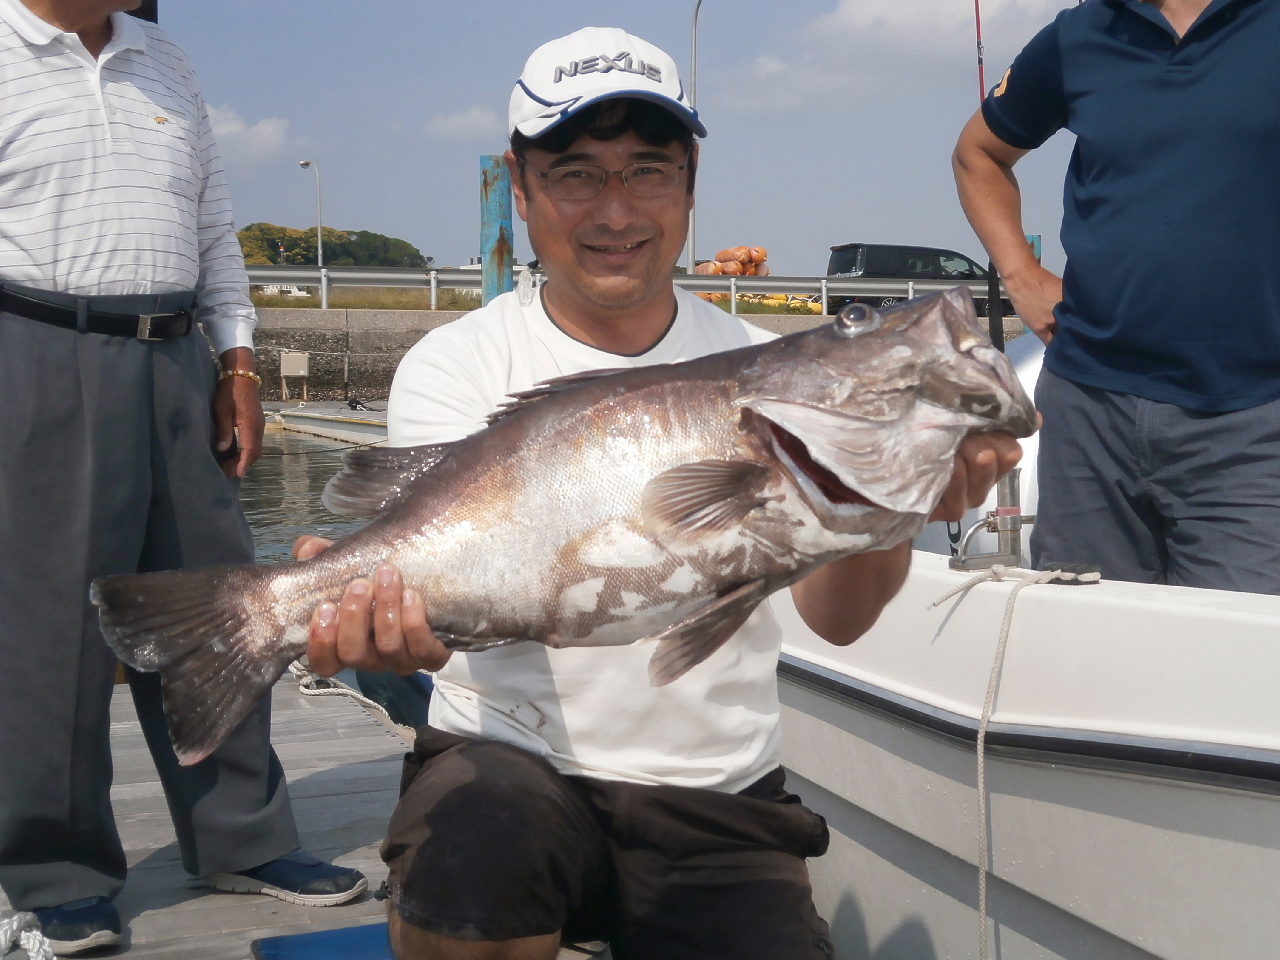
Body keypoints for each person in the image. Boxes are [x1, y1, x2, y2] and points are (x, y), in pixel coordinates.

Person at [294, 27, 1021, 960]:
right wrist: (372, 624)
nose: (616, 210)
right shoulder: (458, 363)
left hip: (715, 789)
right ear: (519, 188)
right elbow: (437, 604)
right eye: (575, 174)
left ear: (689, 185)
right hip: (508, 760)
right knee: (473, 864)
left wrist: (902, 507)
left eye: (648, 171)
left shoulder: (752, 357)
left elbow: (837, 621)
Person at [0, 1, 364, 954]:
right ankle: (56, 867)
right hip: (39, 345)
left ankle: (241, 833)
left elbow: (212, 223)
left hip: (177, 357)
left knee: (226, 603)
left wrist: (236, 361)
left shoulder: (166, 59)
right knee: (54, 631)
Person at [952, 0, 1280, 589]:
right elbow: (978, 154)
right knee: (1087, 661)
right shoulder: (1078, 35)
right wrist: (1022, 277)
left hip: (1254, 421)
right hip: (1088, 413)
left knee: (1239, 666)